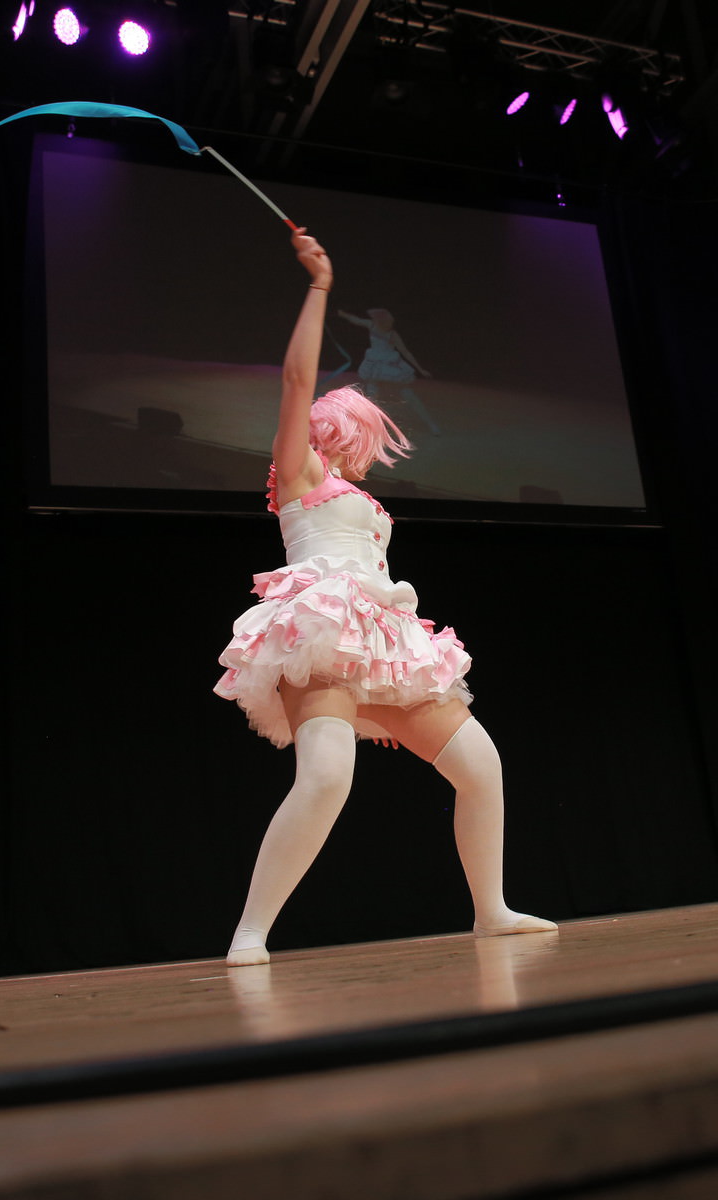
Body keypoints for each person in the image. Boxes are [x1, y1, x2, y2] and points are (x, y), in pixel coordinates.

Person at [213, 227, 555, 967]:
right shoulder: (298, 473)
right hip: (320, 628)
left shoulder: (355, 493)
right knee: (326, 777)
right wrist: (319, 287)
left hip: (383, 638)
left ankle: (491, 910)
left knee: (481, 767)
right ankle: (250, 931)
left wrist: (383, 690)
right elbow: (295, 382)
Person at [339, 306, 442, 435]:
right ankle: (367, 427)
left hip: (389, 365)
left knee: (406, 393)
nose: (389, 324)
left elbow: (405, 352)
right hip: (375, 364)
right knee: (371, 394)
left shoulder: (392, 334)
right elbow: (356, 320)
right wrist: (343, 314)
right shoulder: (372, 325)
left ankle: (431, 424)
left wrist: (420, 369)